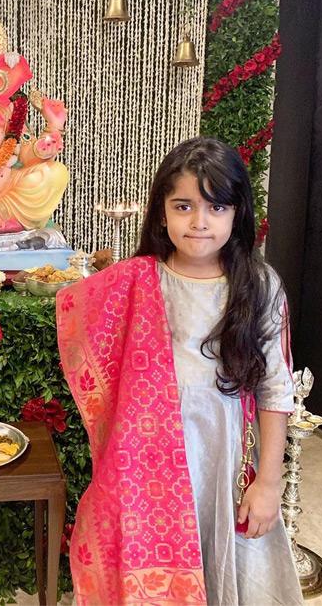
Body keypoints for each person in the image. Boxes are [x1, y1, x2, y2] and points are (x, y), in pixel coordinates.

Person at [56, 137, 303, 606]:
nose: (199, 222)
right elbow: (79, 313)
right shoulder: (136, 280)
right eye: (184, 206)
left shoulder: (259, 286)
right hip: (144, 464)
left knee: (225, 562)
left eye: (216, 207)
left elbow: (275, 389)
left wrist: (270, 482)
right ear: (162, 213)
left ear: (238, 213)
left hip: (223, 457)